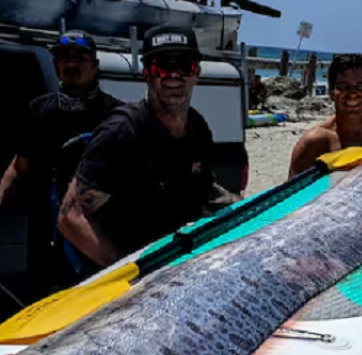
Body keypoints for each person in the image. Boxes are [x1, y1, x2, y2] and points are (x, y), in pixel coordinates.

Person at [57, 25, 240, 265]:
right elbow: (70, 217)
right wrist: (128, 267)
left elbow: (206, 189)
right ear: (147, 73)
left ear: (196, 73)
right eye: (162, 66)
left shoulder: (198, 128)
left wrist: (248, 209)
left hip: (179, 260)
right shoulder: (121, 132)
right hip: (133, 272)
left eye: (184, 66)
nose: (173, 76)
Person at [0, 31, 123, 295]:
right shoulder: (38, 111)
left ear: (96, 65)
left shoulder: (117, 115)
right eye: (65, 58)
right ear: (56, 66)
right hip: (46, 239)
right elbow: (19, 168)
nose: (72, 64)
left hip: (97, 237)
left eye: (81, 57)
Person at [287, 53, 362, 177]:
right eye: (344, 87)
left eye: (361, 87)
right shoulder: (315, 141)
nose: (353, 94)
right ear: (331, 93)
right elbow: (293, 191)